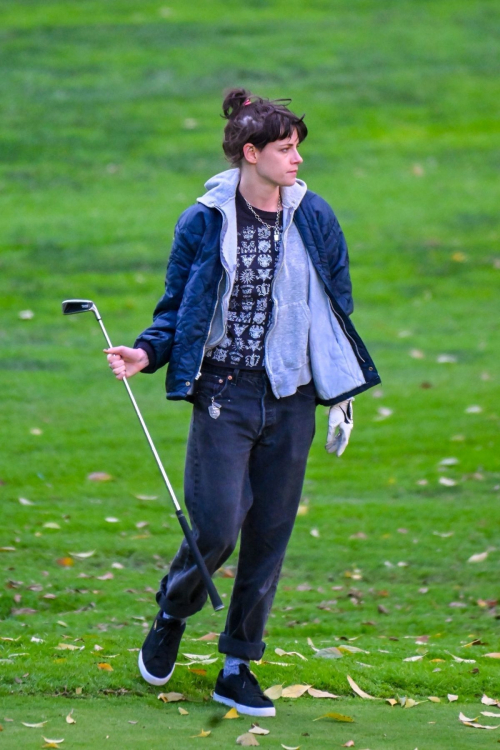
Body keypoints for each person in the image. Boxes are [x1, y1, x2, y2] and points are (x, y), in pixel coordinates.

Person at [105, 88, 380, 717]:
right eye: (286, 150)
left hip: (292, 399)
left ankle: (236, 665)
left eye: (299, 149)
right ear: (249, 153)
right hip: (224, 393)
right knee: (218, 526)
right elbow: (179, 306)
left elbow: (336, 306)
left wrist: (336, 391)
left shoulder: (316, 216)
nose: (297, 161)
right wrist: (147, 353)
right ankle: (173, 611)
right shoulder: (204, 218)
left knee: (269, 536)